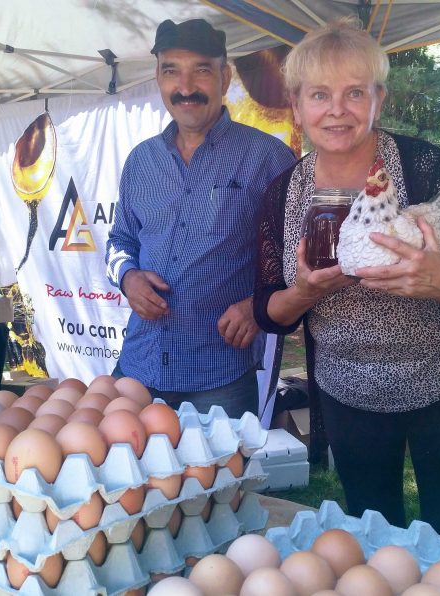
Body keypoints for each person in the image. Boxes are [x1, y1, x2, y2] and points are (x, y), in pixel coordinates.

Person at [253, 19, 440, 538]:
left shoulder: (426, 169)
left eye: (354, 93)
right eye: (320, 94)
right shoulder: (283, 193)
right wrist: (304, 292)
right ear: (297, 105)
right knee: (375, 543)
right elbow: (268, 313)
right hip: (348, 400)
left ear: (378, 99)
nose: (337, 109)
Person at [106, 19, 296, 418]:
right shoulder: (141, 161)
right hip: (139, 365)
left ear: (225, 77)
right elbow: (119, 241)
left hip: (219, 375)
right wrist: (127, 277)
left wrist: (256, 306)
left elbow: (296, 259)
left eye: (202, 71)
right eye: (171, 70)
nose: (185, 87)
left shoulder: (269, 159)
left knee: (220, 483)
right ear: (158, 77)